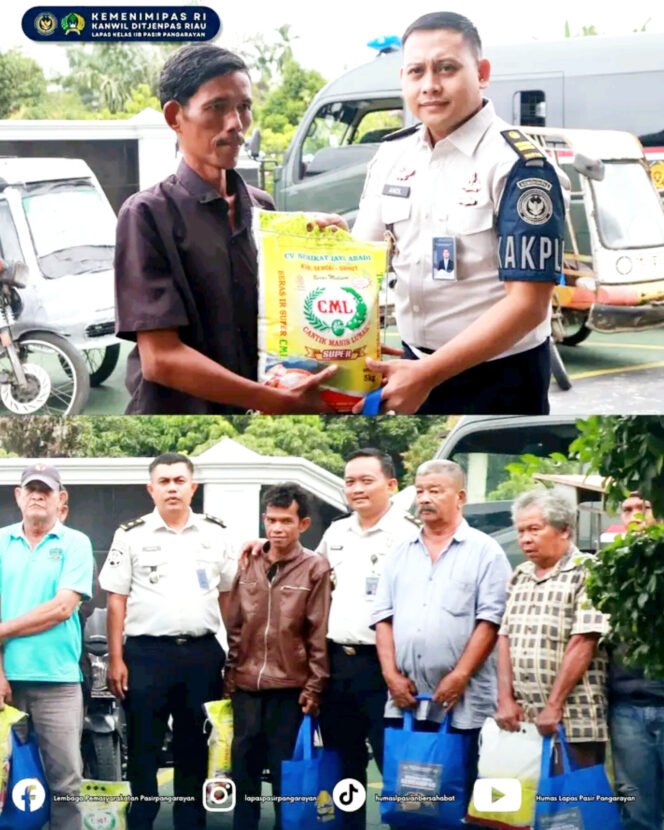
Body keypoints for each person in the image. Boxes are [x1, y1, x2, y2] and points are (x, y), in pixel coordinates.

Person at [350, 12, 569, 415]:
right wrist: (326, 243)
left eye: (447, 68)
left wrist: (428, 373)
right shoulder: (392, 155)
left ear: (482, 73)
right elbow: (362, 257)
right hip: (412, 366)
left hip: (499, 379)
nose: (430, 85)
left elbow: (527, 306)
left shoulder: (520, 166)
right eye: (416, 71)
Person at [114, 43, 340, 415]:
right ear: (175, 116)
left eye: (244, 106)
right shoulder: (147, 215)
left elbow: (286, 319)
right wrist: (274, 401)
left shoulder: (263, 210)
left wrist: (324, 258)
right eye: (217, 107)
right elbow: (160, 359)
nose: (236, 124)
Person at [99, 453, 236, 830]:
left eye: (179, 481)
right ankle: (141, 820)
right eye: (164, 481)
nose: (172, 488)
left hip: (202, 655)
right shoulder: (131, 534)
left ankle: (191, 822)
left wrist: (236, 653)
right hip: (145, 656)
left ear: (193, 487)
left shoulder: (215, 533)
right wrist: (116, 659)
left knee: (194, 748)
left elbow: (228, 596)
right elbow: (116, 600)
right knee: (143, 748)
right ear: (151, 489)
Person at [371, 460, 512, 806]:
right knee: (411, 800)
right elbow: (383, 618)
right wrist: (390, 676)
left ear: (460, 497)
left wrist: (460, 675)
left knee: (463, 798)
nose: (424, 498)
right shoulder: (400, 552)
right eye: (420, 491)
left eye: (435, 491)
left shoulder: (485, 552)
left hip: (464, 702)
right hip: (407, 700)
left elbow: (491, 621)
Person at [316, 449, 420, 830]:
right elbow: (312, 577)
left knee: (394, 764)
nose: (356, 489)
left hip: (386, 668)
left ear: (391, 485)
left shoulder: (409, 535)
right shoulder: (336, 533)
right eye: (350, 482)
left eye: (366, 480)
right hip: (338, 664)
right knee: (345, 764)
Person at [225, 483, 332, 830]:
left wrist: (315, 686)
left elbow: (318, 632)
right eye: (271, 520)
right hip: (246, 687)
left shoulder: (315, 567)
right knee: (244, 774)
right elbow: (236, 624)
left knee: (286, 778)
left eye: (286, 521)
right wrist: (231, 674)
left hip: (290, 688)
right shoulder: (249, 561)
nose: (277, 528)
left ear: (303, 524)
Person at [0, 464, 94, 830]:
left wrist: (2, 630)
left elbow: (61, 608)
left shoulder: (76, 543)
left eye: (46, 490)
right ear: (18, 496)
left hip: (59, 683)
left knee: (66, 783)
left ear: (61, 499)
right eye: (31, 489)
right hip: (7, 684)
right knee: (3, 780)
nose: (38, 496)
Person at [496, 488, 610, 769]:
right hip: (524, 720)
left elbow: (583, 642)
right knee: (521, 793)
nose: (525, 538)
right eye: (521, 531)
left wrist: (553, 705)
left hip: (573, 717)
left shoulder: (589, 571)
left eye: (534, 529)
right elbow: (505, 639)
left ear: (564, 530)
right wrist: (505, 699)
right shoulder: (520, 576)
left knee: (575, 792)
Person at [609, 492, 663, 830]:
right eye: (627, 510)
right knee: (637, 811)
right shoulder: (613, 569)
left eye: (643, 508)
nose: (634, 516)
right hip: (628, 705)